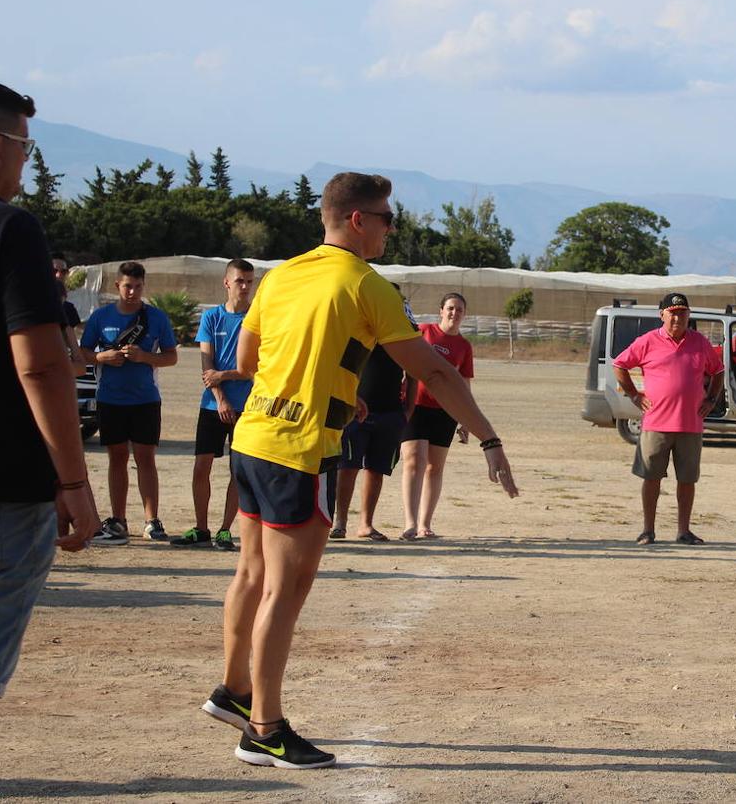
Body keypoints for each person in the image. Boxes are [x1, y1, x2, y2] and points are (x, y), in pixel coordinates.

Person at [201, 172, 518, 770]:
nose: (390, 228)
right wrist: (489, 438)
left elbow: (246, 358)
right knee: (283, 592)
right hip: (302, 449)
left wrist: (332, 385)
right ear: (357, 221)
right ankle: (264, 730)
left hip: (253, 436)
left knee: (249, 576)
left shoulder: (282, 274)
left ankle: (233, 691)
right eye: (385, 218)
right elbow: (437, 374)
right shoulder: (367, 285)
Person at [0, 77, 100, 804]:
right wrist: (72, 483)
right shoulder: (7, 227)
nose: (25, 166)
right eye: (25, 150)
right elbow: (40, 363)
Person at [612, 292, 723, 545]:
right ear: (661, 314)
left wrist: (711, 399)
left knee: (687, 480)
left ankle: (683, 531)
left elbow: (717, 371)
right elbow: (620, 365)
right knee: (651, 478)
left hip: (690, 424)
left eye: (682, 313)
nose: (677, 318)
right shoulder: (648, 341)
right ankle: (648, 531)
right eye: (672, 313)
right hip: (656, 424)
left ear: (689, 315)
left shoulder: (699, 342)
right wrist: (633, 395)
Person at [80, 261, 179, 544]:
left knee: (145, 458)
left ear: (143, 286)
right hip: (110, 399)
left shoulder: (156, 318)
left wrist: (145, 357)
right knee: (117, 458)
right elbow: (84, 352)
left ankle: (152, 520)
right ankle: (118, 519)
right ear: (117, 286)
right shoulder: (101, 317)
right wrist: (102, 358)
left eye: (137, 286)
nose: (132, 292)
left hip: (146, 399)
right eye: (127, 286)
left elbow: (171, 356)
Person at [172, 259, 256, 551]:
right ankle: (202, 528)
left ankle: (224, 530)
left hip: (247, 407)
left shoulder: (258, 319)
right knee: (201, 467)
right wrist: (221, 397)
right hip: (212, 405)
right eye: (240, 281)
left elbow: (257, 368)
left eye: (249, 281)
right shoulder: (211, 318)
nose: (245, 287)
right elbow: (207, 366)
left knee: (238, 470)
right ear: (227, 283)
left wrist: (227, 375)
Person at [331, 304, 418, 541]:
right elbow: (340, 369)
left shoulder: (402, 337)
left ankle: (366, 524)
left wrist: (407, 410)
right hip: (354, 413)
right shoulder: (358, 331)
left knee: (376, 470)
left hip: (390, 414)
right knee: (347, 467)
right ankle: (340, 522)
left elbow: (413, 374)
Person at [398, 292, 474, 541]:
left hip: (446, 411)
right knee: (413, 460)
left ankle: (424, 524)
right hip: (416, 405)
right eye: (450, 308)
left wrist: (467, 417)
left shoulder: (464, 346)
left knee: (435, 467)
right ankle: (409, 523)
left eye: (460, 310)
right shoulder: (423, 331)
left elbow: (464, 383)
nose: (454, 313)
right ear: (441, 310)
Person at [52, 254, 81, 342]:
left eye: (63, 271)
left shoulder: (69, 308)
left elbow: (72, 343)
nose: (58, 275)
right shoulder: (32, 307)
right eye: (54, 271)